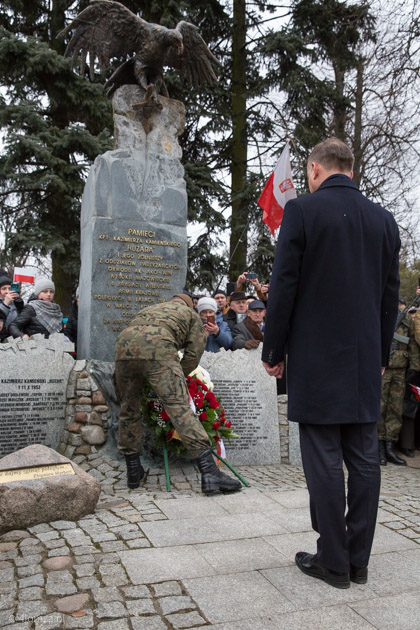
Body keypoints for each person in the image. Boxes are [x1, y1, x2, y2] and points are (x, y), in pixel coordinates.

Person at [262, 138, 400, 589]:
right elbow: (389, 297)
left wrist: (273, 349)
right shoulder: (384, 221)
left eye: (308, 174)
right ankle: (357, 562)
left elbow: (284, 286)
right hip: (363, 361)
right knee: (363, 459)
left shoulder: (302, 211)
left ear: (316, 169)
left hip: (317, 358)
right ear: (351, 169)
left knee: (321, 456)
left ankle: (333, 561)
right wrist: (380, 355)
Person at [114, 294, 241, 494]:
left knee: (128, 409)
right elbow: (193, 354)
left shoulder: (150, 309)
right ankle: (209, 473)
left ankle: (133, 471)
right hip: (159, 348)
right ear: (189, 305)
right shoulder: (190, 315)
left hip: (123, 347)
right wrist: (176, 378)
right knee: (180, 410)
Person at [379, 297, 420, 465]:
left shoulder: (406, 322)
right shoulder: (381, 317)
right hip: (383, 370)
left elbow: (412, 347)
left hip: (400, 370)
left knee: (395, 409)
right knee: (380, 407)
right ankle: (378, 447)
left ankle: (390, 445)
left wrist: (414, 368)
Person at [0, 275, 24, 341]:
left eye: (9, 288)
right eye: (4, 289)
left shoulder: (15, 304)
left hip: (16, 340)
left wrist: (20, 307)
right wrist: (5, 304)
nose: (7, 291)